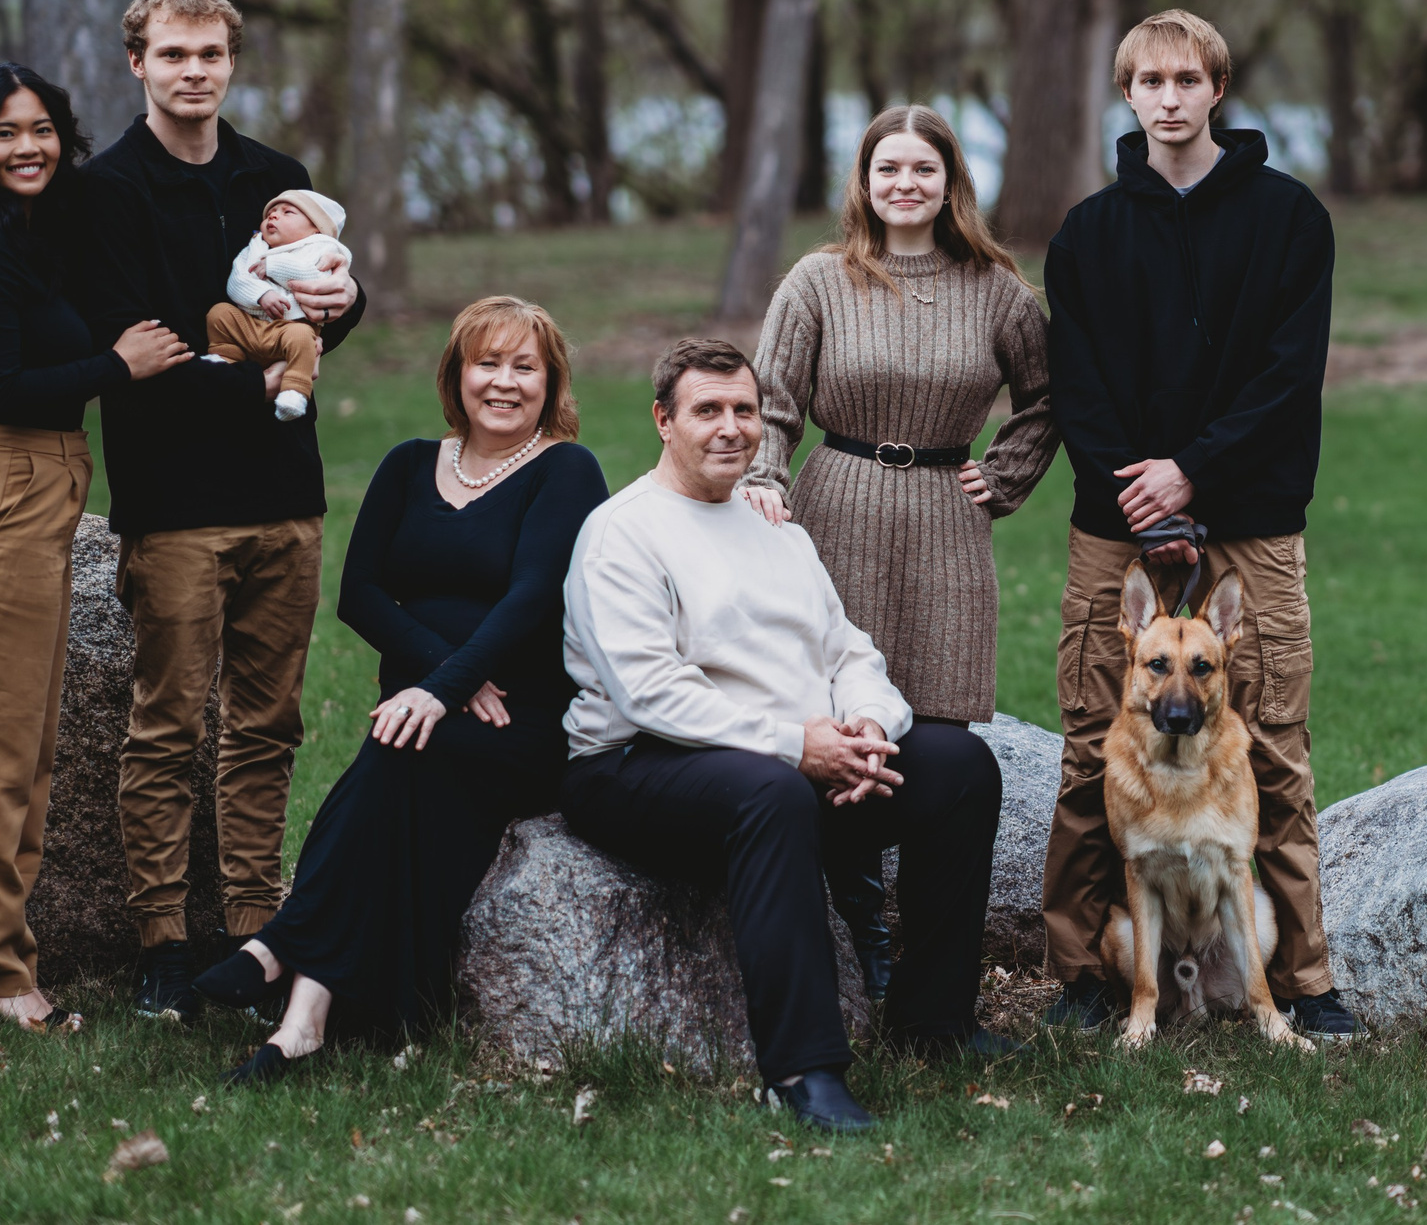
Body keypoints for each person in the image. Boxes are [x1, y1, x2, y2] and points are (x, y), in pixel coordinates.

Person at [559, 339, 1009, 1134]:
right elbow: (651, 690)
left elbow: (848, 650)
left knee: (958, 763)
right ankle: (802, 1070)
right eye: (708, 411)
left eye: (745, 410)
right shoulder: (621, 532)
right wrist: (796, 747)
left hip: (791, 757)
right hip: (636, 765)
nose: (732, 428)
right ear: (664, 420)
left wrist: (868, 726)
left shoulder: (777, 530)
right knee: (769, 793)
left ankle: (933, 1020)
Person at [1037, 9, 1356, 1041]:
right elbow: (1075, 385)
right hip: (1115, 516)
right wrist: (1138, 488)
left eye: (1186, 78)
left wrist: (1195, 472)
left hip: (1251, 515)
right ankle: (1086, 974)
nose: (1168, 97)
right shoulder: (1087, 234)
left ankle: (1304, 978)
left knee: (1273, 744)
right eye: (1148, 81)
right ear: (1125, 94)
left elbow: (1284, 376)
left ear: (1217, 87)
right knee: (1097, 742)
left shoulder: (1288, 219)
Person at [197, 298, 609, 1081]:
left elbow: (530, 599)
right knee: (399, 756)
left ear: (551, 382)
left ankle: (280, 946)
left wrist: (444, 687)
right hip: (433, 709)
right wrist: (447, 680)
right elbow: (361, 594)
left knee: (397, 749)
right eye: (488, 362)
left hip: (520, 719)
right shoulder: (407, 461)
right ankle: (302, 1025)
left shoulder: (565, 468)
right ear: (456, 372)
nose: (505, 381)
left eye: (526, 366)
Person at [75, 0, 366, 1021]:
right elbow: (125, 340)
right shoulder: (104, 189)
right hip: (174, 498)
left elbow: (315, 302)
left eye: (210, 55)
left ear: (231, 63)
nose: (193, 72)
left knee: (267, 723)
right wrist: (251, 376)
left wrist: (346, 300)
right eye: (173, 55)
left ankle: (249, 931)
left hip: (286, 493)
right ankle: (160, 940)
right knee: (165, 727)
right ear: (137, 64)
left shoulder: (275, 178)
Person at [0, 64, 192, 1032]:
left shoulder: (24, 235)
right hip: (0, 495)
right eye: (3, 133)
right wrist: (121, 365)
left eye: (42, 129)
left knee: (21, 743)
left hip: (37, 489)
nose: (28, 147)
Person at [745, 104, 1056, 995]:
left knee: (939, 734)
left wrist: (1003, 477)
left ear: (951, 181)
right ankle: (859, 928)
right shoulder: (817, 280)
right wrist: (766, 476)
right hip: (834, 503)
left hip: (946, 516)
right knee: (838, 711)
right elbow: (772, 397)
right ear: (865, 181)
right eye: (888, 169)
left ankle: (933, 967)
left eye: (923, 169)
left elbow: (1047, 396)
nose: (905, 184)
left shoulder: (996, 288)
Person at [207, 188, 352, 422]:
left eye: (287, 212)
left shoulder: (323, 249)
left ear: (316, 227)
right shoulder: (256, 247)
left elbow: (315, 277)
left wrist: (274, 266)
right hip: (250, 326)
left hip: (289, 329)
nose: (273, 216)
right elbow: (237, 280)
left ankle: (294, 390)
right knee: (220, 314)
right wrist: (261, 294)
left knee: (304, 338)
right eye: (270, 213)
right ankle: (224, 357)